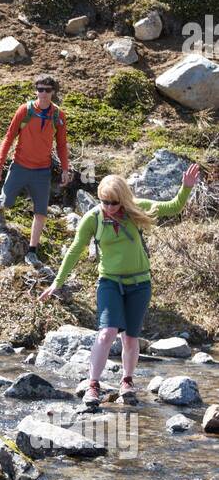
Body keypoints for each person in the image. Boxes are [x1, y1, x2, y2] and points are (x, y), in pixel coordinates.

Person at [40, 163, 200, 408]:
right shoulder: (93, 218)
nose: (109, 207)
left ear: (123, 199)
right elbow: (74, 250)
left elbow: (173, 207)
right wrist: (57, 283)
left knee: (131, 339)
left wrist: (185, 188)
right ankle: (93, 385)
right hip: (110, 282)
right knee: (106, 333)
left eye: (114, 203)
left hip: (140, 284)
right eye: (105, 201)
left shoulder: (136, 208)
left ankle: (127, 381)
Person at [0, 75, 72, 268]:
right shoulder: (25, 110)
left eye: (47, 90)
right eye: (40, 89)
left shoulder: (58, 115)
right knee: (7, 202)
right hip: (19, 166)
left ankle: (32, 251)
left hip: (42, 171)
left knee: (41, 212)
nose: (43, 93)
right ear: (35, 90)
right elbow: (9, 137)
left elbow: (61, 145)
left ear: (54, 92)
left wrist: (65, 169)